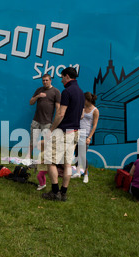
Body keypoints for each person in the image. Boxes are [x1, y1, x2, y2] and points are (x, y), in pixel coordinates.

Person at [41, 67, 84, 201]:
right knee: (67, 164)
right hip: (75, 132)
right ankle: (63, 193)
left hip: (63, 132)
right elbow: (82, 115)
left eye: (62, 77)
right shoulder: (81, 93)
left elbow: (60, 114)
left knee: (50, 161)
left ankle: (55, 192)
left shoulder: (67, 92)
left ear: (67, 76)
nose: (61, 79)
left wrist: (51, 130)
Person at [28, 74, 61, 158]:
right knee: (32, 140)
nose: (45, 82)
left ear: (50, 80)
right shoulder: (39, 90)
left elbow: (58, 108)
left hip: (47, 122)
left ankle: (43, 158)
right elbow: (31, 102)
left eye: (46, 80)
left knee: (46, 142)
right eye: (43, 80)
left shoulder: (56, 92)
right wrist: (38, 96)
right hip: (36, 120)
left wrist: (56, 121)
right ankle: (28, 156)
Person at [72, 92, 99, 183]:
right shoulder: (82, 107)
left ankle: (86, 174)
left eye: (84, 100)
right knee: (76, 154)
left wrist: (89, 137)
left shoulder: (95, 110)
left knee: (82, 155)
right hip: (77, 132)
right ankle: (78, 172)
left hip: (86, 134)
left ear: (88, 100)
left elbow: (94, 125)